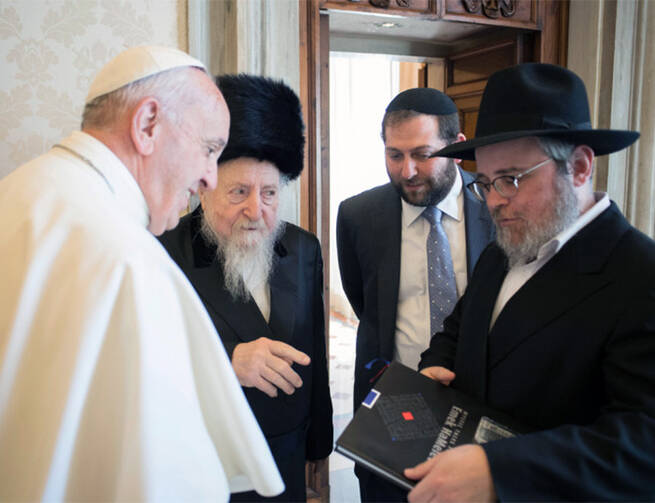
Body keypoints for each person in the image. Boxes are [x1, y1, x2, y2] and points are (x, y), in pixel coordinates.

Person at [0, 46, 283, 501]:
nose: (208, 177)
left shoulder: (10, 194)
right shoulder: (128, 260)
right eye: (208, 149)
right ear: (147, 125)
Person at [409, 63, 655, 501]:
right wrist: (433, 370)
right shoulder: (502, 249)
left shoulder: (639, 272)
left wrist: (501, 470)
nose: (495, 202)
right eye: (485, 183)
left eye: (511, 179)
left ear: (578, 167)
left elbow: (642, 443)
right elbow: (457, 333)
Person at [159, 74, 333, 502]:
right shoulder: (163, 251)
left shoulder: (302, 247)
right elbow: (144, 356)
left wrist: (318, 446)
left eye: (269, 192)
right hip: (211, 462)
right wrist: (227, 360)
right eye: (239, 191)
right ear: (205, 188)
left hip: (287, 455)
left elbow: (315, 353)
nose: (256, 210)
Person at [336, 88, 494, 501]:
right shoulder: (357, 216)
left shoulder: (498, 205)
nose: (407, 171)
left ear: (458, 148)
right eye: (394, 155)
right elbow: (364, 302)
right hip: (392, 407)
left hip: (482, 408)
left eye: (422, 154)